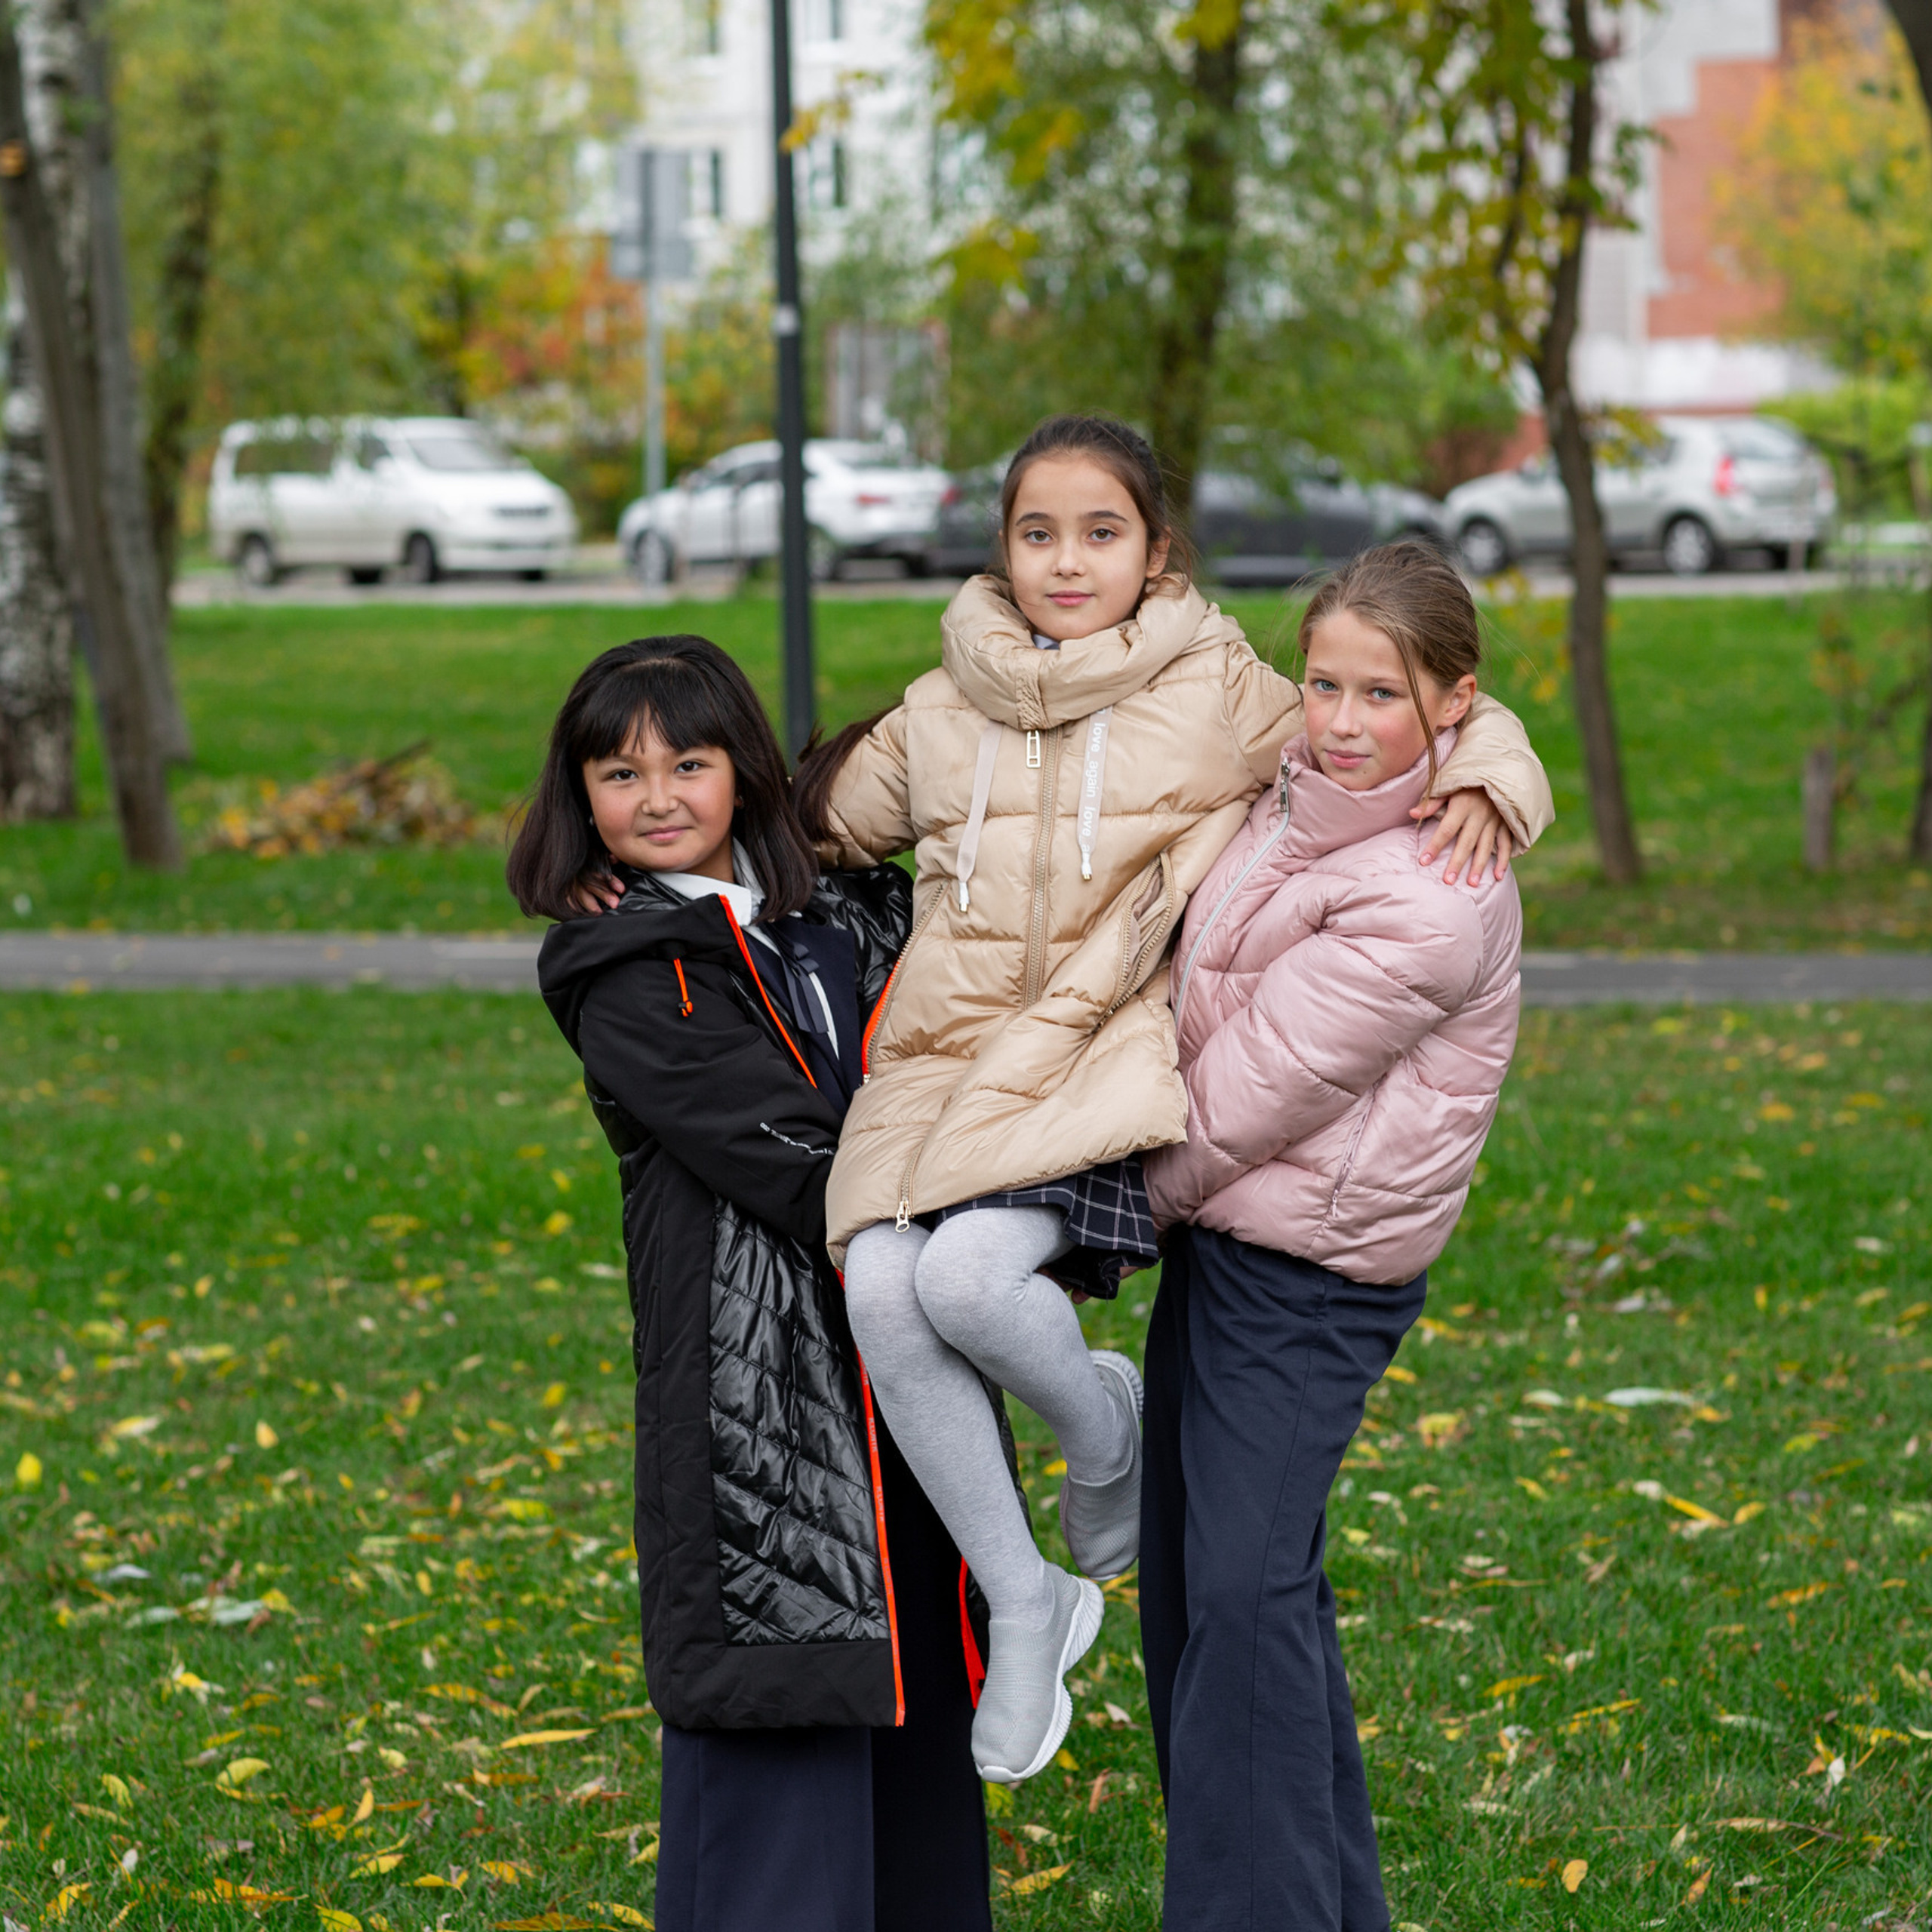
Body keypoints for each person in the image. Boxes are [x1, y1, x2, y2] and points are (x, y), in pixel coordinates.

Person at [798, 414, 1554, 1786]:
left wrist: (1499, 767)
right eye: (1037, 533)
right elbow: (818, 824)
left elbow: (1382, 696)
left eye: (1102, 533)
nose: (1067, 561)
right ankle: (1026, 1599)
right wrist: (648, 858)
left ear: (1156, 553)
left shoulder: (1215, 687)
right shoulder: (945, 700)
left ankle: (1105, 1436)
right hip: (944, 1065)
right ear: (1000, 549)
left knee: (966, 1281)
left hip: (1096, 1059)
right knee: (882, 1294)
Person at [508, 635, 993, 1932]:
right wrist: (966, 1190)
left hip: (907, 1381)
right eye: (620, 774)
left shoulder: (851, 917)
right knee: (784, 1732)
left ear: (746, 771)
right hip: (755, 1413)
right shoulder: (625, 970)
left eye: (690, 763)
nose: (658, 796)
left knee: (921, 1720)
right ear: (580, 798)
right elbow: (790, 1159)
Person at [1140, 540, 1527, 1931]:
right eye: (1325, 684)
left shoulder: (1435, 888)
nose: (1345, 721)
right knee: (1219, 1598)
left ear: (1451, 705)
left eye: (1382, 695)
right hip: (1225, 1246)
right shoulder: (1293, 797)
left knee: (1240, 1609)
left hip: (1305, 1282)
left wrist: (1087, 1215)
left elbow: (1246, 1099)